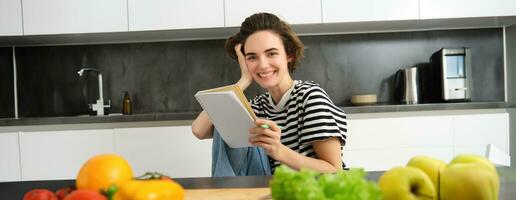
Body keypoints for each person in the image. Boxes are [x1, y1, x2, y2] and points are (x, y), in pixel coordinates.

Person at [192, 12, 347, 173]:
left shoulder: (309, 97)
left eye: (271, 53)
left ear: (289, 55)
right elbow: (199, 130)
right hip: (275, 189)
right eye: (252, 57)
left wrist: (277, 150)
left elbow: (334, 170)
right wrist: (243, 80)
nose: (263, 64)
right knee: (224, 122)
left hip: (314, 191)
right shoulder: (259, 105)